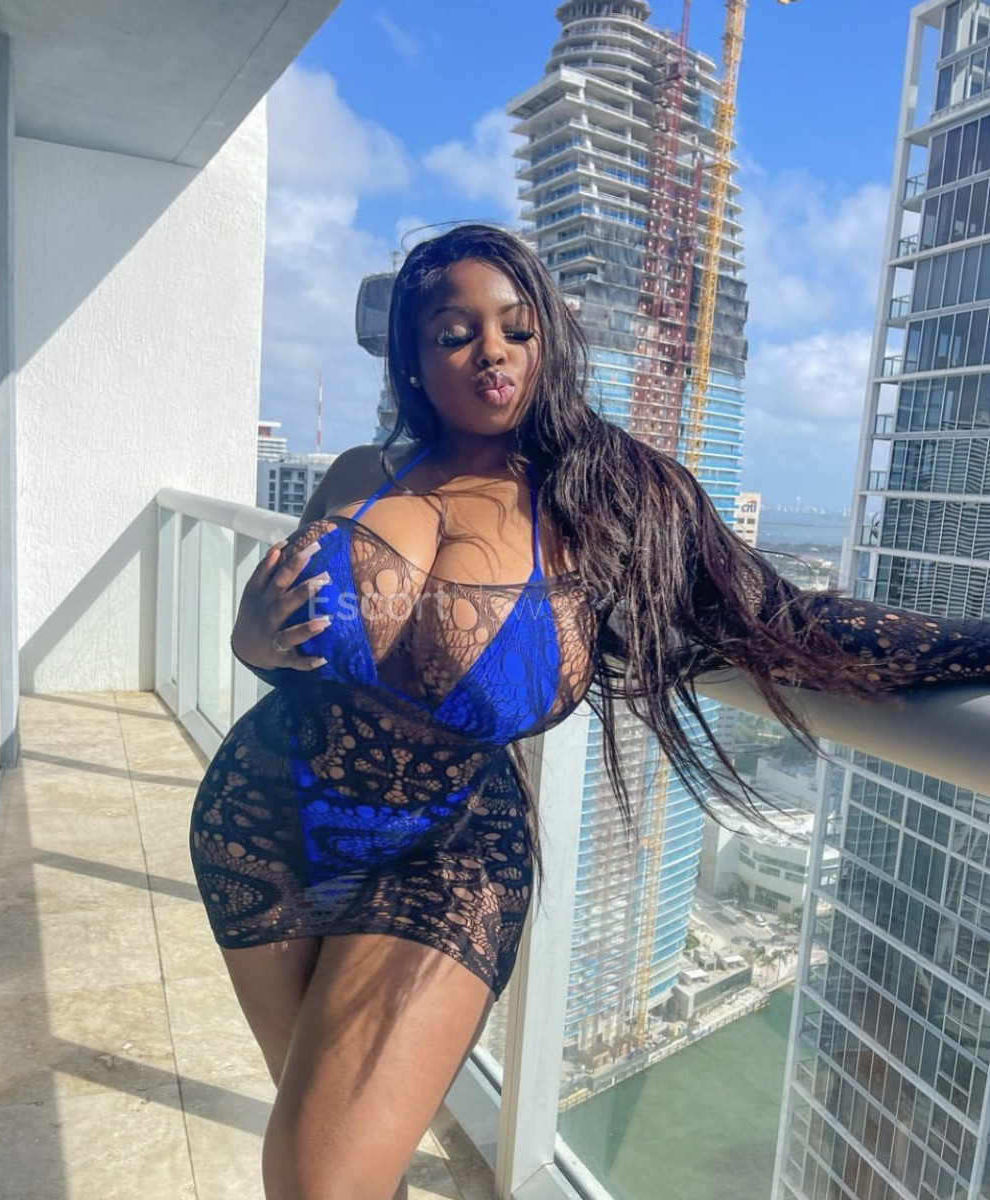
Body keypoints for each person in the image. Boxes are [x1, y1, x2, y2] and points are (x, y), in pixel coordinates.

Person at [190, 224, 990, 1200]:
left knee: (317, 1177)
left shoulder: (608, 502)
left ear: (549, 343)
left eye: (516, 329)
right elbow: (284, 651)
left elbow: (786, 622)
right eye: (454, 333)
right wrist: (254, 642)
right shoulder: (362, 472)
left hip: (443, 852)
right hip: (263, 824)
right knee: (334, 1152)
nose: (490, 352)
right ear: (413, 357)